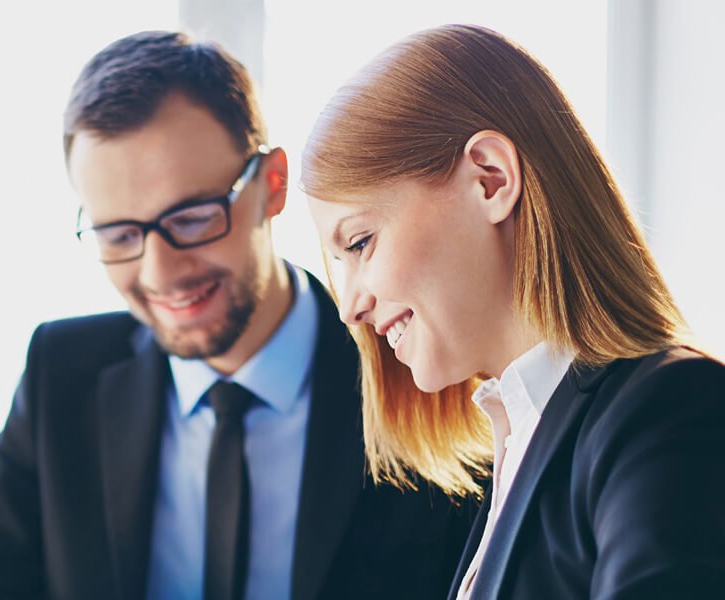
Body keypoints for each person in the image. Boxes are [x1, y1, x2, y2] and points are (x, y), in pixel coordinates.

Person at [0, 31, 476, 600]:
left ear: (272, 186)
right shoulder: (61, 376)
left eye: (190, 218)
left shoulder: (421, 368)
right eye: (120, 234)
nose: (161, 272)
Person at [301, 24, 725, 600]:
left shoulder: (670, 409)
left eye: (359, 244)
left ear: (490, 178)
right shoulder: (513, 453)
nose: (350, 307)